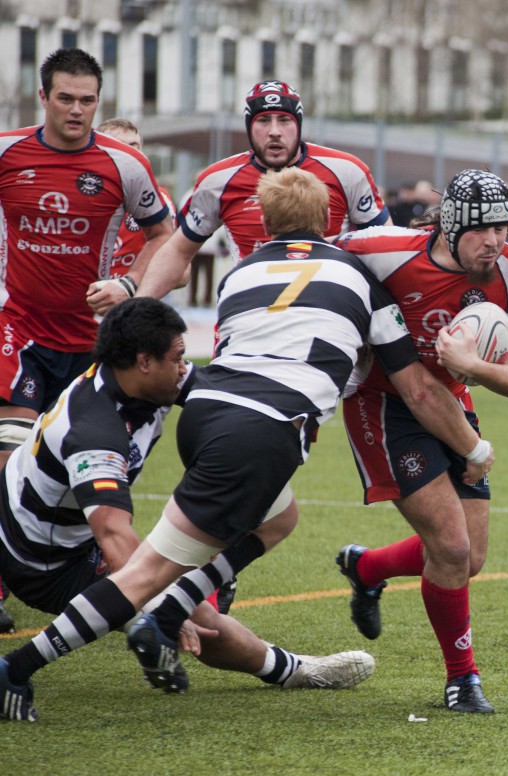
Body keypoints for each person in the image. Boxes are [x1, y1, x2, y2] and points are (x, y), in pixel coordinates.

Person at [0, 167, 491, 722]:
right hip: (259, 436)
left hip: (208, 414)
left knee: (279, 518)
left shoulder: (242, 273)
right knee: (145, 578)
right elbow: (418, 388)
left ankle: (173, 610)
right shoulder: (357, 275)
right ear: (329, 220)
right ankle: (19, 667)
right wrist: (474, 449)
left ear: (263, 223)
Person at [0, 297, 375, 692]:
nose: (185, 367)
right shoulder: (95, 432)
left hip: (37, 525)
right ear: (144, 361)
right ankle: (295, 671)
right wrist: (165, 610)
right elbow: (113, 537)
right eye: (178, 357)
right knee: (195, 617)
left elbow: (225, 393)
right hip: (43, 562)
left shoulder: (134, 381)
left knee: (280, 513)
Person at [331, 169, 508, 714]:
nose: (492, 241)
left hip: (450, 398)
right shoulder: (382, 251)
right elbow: (317, 253)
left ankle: (367, 568)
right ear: (449, 226)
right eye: (479, 229)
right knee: (450, 547)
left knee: (468, 558)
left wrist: (473, 367)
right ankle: (462, 680)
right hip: (382, 404)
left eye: (500, 226)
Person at [0, 49, 174, 633]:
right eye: (66, 98)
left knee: (99, 471)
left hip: (93, 345)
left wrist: (127, 283)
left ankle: (99, 565)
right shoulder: (8, 152)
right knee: (9, 460)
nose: (77, 110)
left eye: (88, 100)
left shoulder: (123, 165)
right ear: (43, 97)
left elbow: (164, 237)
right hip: (19, 329)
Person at [139, 79, 389, 295]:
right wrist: (138, 304)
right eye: (263, 121)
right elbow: (178, 251)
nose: (274, 132)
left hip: (328, 310)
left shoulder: (346, 170)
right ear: (248, 127)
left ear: (299, 125)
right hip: (247, 311)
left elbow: (387, 244)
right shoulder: (218, 180)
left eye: (284, 120)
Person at [94, 118, 179, 284]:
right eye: (119, 146)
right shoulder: (81, 194)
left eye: (134, 147)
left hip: (131, 301)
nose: (129, 155)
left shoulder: (158, 199)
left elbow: (180, 272)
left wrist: (128, 285)